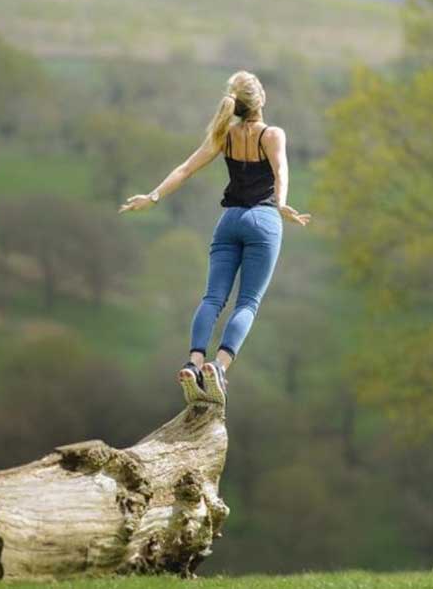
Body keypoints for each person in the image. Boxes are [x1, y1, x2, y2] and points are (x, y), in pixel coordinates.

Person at [118, 70, 311, 406]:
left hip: (229, 222)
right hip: (263, 221)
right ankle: (218, 367)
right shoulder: (272, 134)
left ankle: (193, 363)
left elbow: (185, 169)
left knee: (212, 298)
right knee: (248, 302)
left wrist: (152, 197)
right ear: (261, 99)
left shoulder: (225, 135)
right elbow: (281, 170)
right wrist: (280, 204)